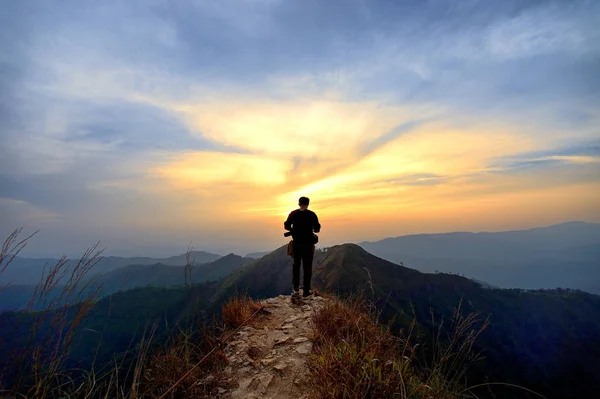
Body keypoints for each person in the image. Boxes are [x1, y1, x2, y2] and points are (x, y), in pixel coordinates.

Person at [284, 196, 321, 298]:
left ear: (299, 203)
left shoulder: (293, 214)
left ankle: (296, 290)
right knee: (307, 267)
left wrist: (294, 229)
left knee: (296, 266)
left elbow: (286, 226)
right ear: (308, 204)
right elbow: (317, 229)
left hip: (296, 244)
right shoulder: (312, 214)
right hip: (308, 245)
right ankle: (306, 291)